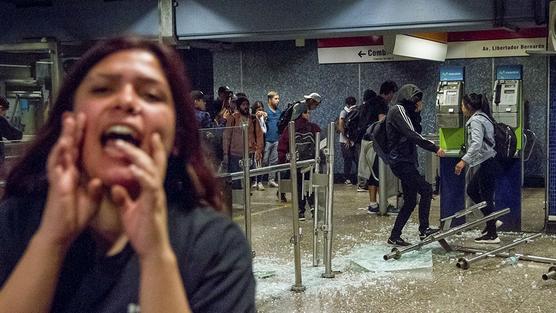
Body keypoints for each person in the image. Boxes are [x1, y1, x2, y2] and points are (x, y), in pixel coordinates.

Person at [0, 37, 255, 313]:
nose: (126, 100)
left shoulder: (214, 247)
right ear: (69, 121)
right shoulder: (15, 222)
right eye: (102, 89)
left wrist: (156, 256)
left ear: (177, 137)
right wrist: (50, 240)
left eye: (151, 95)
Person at [385, 84, 445, 246]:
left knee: (411, 201)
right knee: (426, 189)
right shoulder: (398, 110)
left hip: (405, 160)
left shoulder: (405, 111)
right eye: (416, 100)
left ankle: (394, 236)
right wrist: (435, 148)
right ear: (408, 97)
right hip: (401, 161)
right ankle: (424, 230)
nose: (418, 103)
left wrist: (417, 113)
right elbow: (412, 134)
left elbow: (415, 128)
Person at [455, 93, 500, 243]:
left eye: (462, 105)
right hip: (489, 161)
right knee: (473, 190)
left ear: (469, 107)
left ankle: (493, 234)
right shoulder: (484, 116)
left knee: (485, 196)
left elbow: (476, 143)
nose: (461, 108)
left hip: (488, 161)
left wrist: (463, 161)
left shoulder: (475, 120)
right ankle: (491, 220)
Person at [357, 81, 398, 213]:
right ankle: (381, 204)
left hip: (365, 141)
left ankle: (374, 204)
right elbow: (382, 122)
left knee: (372, 173)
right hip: (375, 142)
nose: (392, 96)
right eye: (392, 93)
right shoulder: (381, 103)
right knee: (378, 173)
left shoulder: (369, 102)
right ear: (390, 92)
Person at [277, 102, 321, 221]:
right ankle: (313, 206)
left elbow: (282, 146)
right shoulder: (313, 127)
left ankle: (300, 211)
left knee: (298, 186)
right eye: (307, 112)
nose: (309, 115)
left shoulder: (289, 128)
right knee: (310, 184)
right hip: (310, 162)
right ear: (301, 114)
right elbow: (320, 144)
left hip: (295, 163)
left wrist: (283, 161)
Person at [222, 96, 264, 189]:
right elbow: (227, 136)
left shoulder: (253, 119)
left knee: (247, 180)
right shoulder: (232, 118)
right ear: (238, 106)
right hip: (235, 154)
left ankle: (246, 201)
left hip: (249, 153)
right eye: (243, 105)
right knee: (236, 181)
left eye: (247, 104)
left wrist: (259, 150)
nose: (246, 107)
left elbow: (259, 135)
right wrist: (225, 153)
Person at [338, 96, 358, 185]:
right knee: (348, 159)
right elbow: (341, 126)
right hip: (345, 140)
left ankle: (354, 177)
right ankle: (346, 177)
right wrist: (347, 139)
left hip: (351, 140)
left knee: (355, 159)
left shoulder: (354, 112)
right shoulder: (344, 112)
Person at [263, 91, 281, 188]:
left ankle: (271, 179)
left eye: (278, 99)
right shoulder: (265, 112)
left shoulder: (279, 112)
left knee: (274, 160)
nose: (278, 101)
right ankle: (259, 180)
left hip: (276, 139)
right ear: (270, 100)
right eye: (275, 98)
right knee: (264, 160)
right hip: (267, 140)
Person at [0, 96, 24, 166]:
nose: (4, 114)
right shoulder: (1, 121)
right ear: (0, 108)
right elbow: (15, 135)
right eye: (4, 112)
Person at [251, 100, 267, 191]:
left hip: (262, 142)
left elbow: (265, 130)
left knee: (261, 163)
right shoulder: (252, 119)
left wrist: (264, 119)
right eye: (258, 109)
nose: (260, 110)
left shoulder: (264, 118)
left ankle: (260, 181)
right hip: (253, 143)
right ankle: (255, 181)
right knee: (254, 163)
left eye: (261, 108)